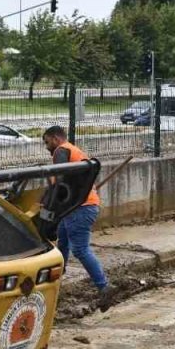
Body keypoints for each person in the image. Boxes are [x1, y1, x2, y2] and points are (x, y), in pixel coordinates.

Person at [42, 126, 110, 311]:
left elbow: (59, 181)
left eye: (47, 142)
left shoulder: (61, 150)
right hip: (77, 207)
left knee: (79, 249)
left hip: (80, 208)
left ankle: (104, 287)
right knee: (62, 243)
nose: (47, 147)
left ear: (55, 138)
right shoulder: (74, 151)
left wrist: (47, 208)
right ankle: (57, 281)